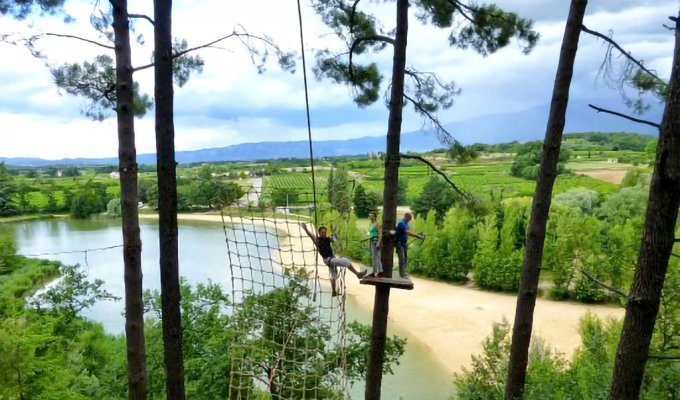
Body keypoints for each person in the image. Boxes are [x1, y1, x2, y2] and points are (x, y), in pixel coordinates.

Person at [301, 223, 367, 296]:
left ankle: (334, 292)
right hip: (328, 260)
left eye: (325, 232)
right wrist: (305, 228)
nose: (324, 234)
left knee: (333, 275)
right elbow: (311, 235)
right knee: (346, 261)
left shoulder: (327, 239)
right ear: (319, 233)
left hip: (331, 259)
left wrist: (333, 230)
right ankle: (357, 274)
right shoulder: (317, 240)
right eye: (322, 232)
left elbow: (335, 238)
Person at [394, 212, 424, 278]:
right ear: (406, 216)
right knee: (402, 259)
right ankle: (402, 274)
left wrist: (418, 234)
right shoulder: (401, 223)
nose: (410, 219)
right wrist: (417, 236)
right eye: (410, 218)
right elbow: (407, 232)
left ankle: (403, 272)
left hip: (404, 244)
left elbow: (408, 231)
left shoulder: (406, 223)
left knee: (405, 259)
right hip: (399, 244)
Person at [367, 211, 384, 277]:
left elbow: (380, 234)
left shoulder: (377, 224)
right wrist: (366, 239)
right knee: (374, 258)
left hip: (376, 242)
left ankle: (380, 272)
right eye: (370, 216)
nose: (371, 217)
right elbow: (372, 234)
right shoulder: (371, 224)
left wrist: (378, 243)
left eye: (372, 216)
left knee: (377, 257)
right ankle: (374, 272)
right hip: (372, 241)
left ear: (375, 217)